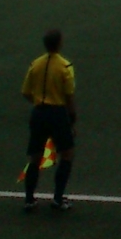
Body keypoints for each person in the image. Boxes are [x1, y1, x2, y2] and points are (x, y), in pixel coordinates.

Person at [21, 28, 76, 213]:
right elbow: (69, 96)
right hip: (57, 113)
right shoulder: (65, 66)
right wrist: (72, 118)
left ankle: (29, 200)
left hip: (38, 113)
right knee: (66, 154)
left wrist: (38, 103)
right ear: (59, 44)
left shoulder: (35, 64)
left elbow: (26, 92)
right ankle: (58, 199)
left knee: (35, 157)